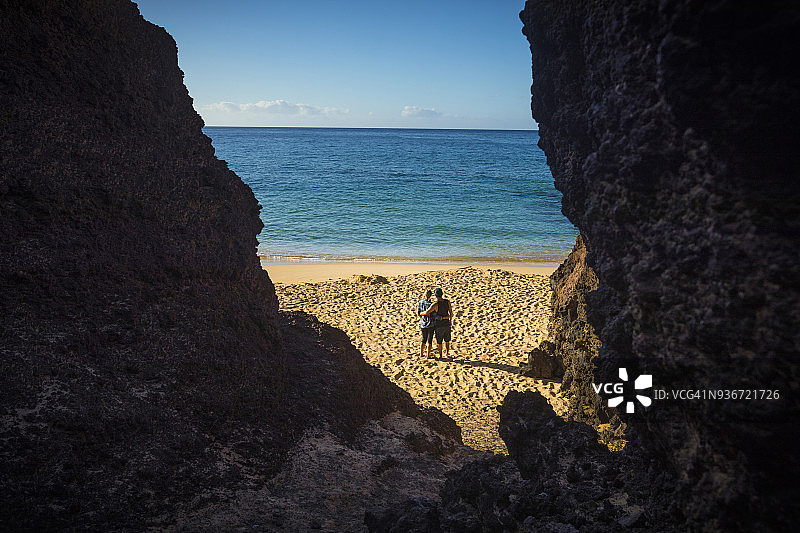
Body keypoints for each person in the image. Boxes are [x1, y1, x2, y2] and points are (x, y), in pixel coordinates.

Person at [420, 287, 452, 358]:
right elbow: (451, 312)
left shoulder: (435, 304)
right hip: (447, 323)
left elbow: (427, 312)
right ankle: (447, 353)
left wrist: (421, 313)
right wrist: (450, 320)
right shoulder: (447, 301)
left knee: (439, 341)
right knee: (447, 340)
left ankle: (440, 355)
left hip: (439, 325)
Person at [417, 289, 436, 358]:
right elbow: (434, 314)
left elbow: (418, 313)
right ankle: (428, 354)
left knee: (424, 338)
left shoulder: (420, 302)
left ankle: (421, 353)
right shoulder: (432, 304)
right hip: (431, 323)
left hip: (423, 323)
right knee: (429, 339)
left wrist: (422, 318)